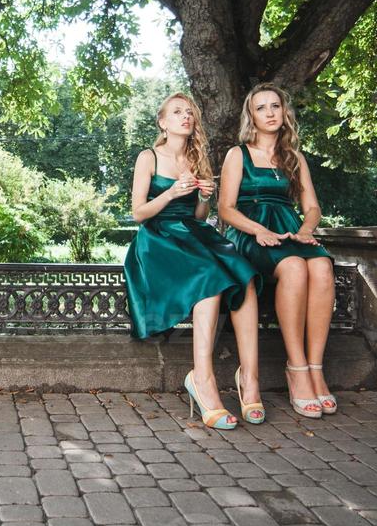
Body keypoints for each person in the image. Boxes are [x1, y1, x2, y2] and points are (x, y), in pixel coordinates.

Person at [124, 92, 263, 431]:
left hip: (192, 233)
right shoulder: (149, 157)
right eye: (176, 112)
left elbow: (200, 216)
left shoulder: (198, 158)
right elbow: (138, 213)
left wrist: (203, 197)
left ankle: (248, 379)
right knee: (209, 278)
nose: (185, 117)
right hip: (157, 239)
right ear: (163, 122)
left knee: (242, 273)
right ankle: (203, 381)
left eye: (189, 112)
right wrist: (171, 192)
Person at [217, 82, 336, 419]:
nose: (269, 113)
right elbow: (225, 209)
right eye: (261, 108)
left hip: (289, 229)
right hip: (251, 230)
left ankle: (315, 368)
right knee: (295, 267)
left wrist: (304, 230)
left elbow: (312, 207)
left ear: (284, 113)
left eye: (275, 106)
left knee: (322, 268)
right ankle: (296, 368)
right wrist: (260, 231)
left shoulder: (294, 157)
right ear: (251, 116)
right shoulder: (237, 154)